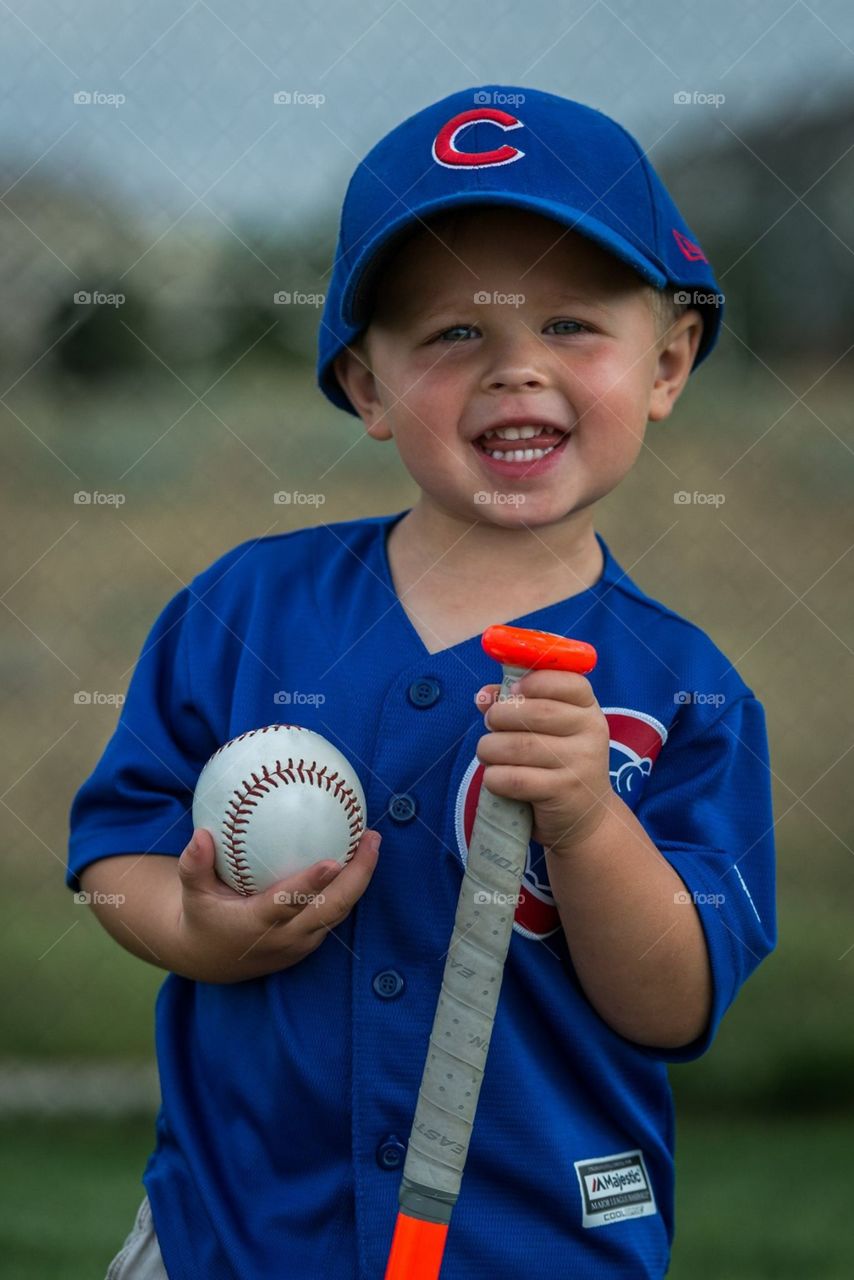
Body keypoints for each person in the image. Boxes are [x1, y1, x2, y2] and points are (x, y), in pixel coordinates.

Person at [68, 84, 776, 1280]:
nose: (514, 370)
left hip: (536, 1245)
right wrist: (194, 926)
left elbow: (672, 1003)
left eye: (568, 324)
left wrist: (587, 817)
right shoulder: (244, 609)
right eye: (453, 333)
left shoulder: (687, 692)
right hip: (231, 1237)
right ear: (363, 385)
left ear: (666, 361)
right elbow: (115, 856)